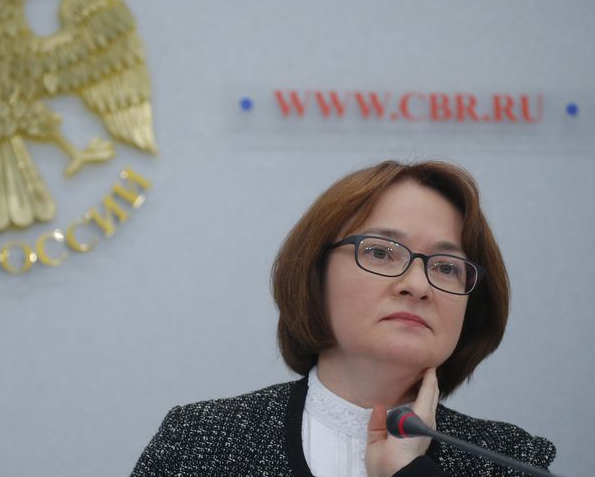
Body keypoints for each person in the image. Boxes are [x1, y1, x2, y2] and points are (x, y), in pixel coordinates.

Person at [131, 160, 557, 477]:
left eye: (446, 266)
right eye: (380, 252)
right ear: (315, 276)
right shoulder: (204, 443)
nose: (418, 285)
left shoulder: (512, 462)